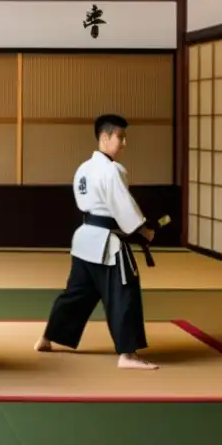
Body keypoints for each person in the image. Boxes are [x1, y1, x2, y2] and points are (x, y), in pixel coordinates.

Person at [35, 114, 159, 370]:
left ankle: (47, 338)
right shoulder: (111, 170)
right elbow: (123, 207)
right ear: (105, 137)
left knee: (77, 294)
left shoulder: (84, 168)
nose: (124, 143)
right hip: (108, 244)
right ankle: (128, 355)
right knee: (125, 294)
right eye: (120, 137)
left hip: (84, 240)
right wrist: (142, 230)